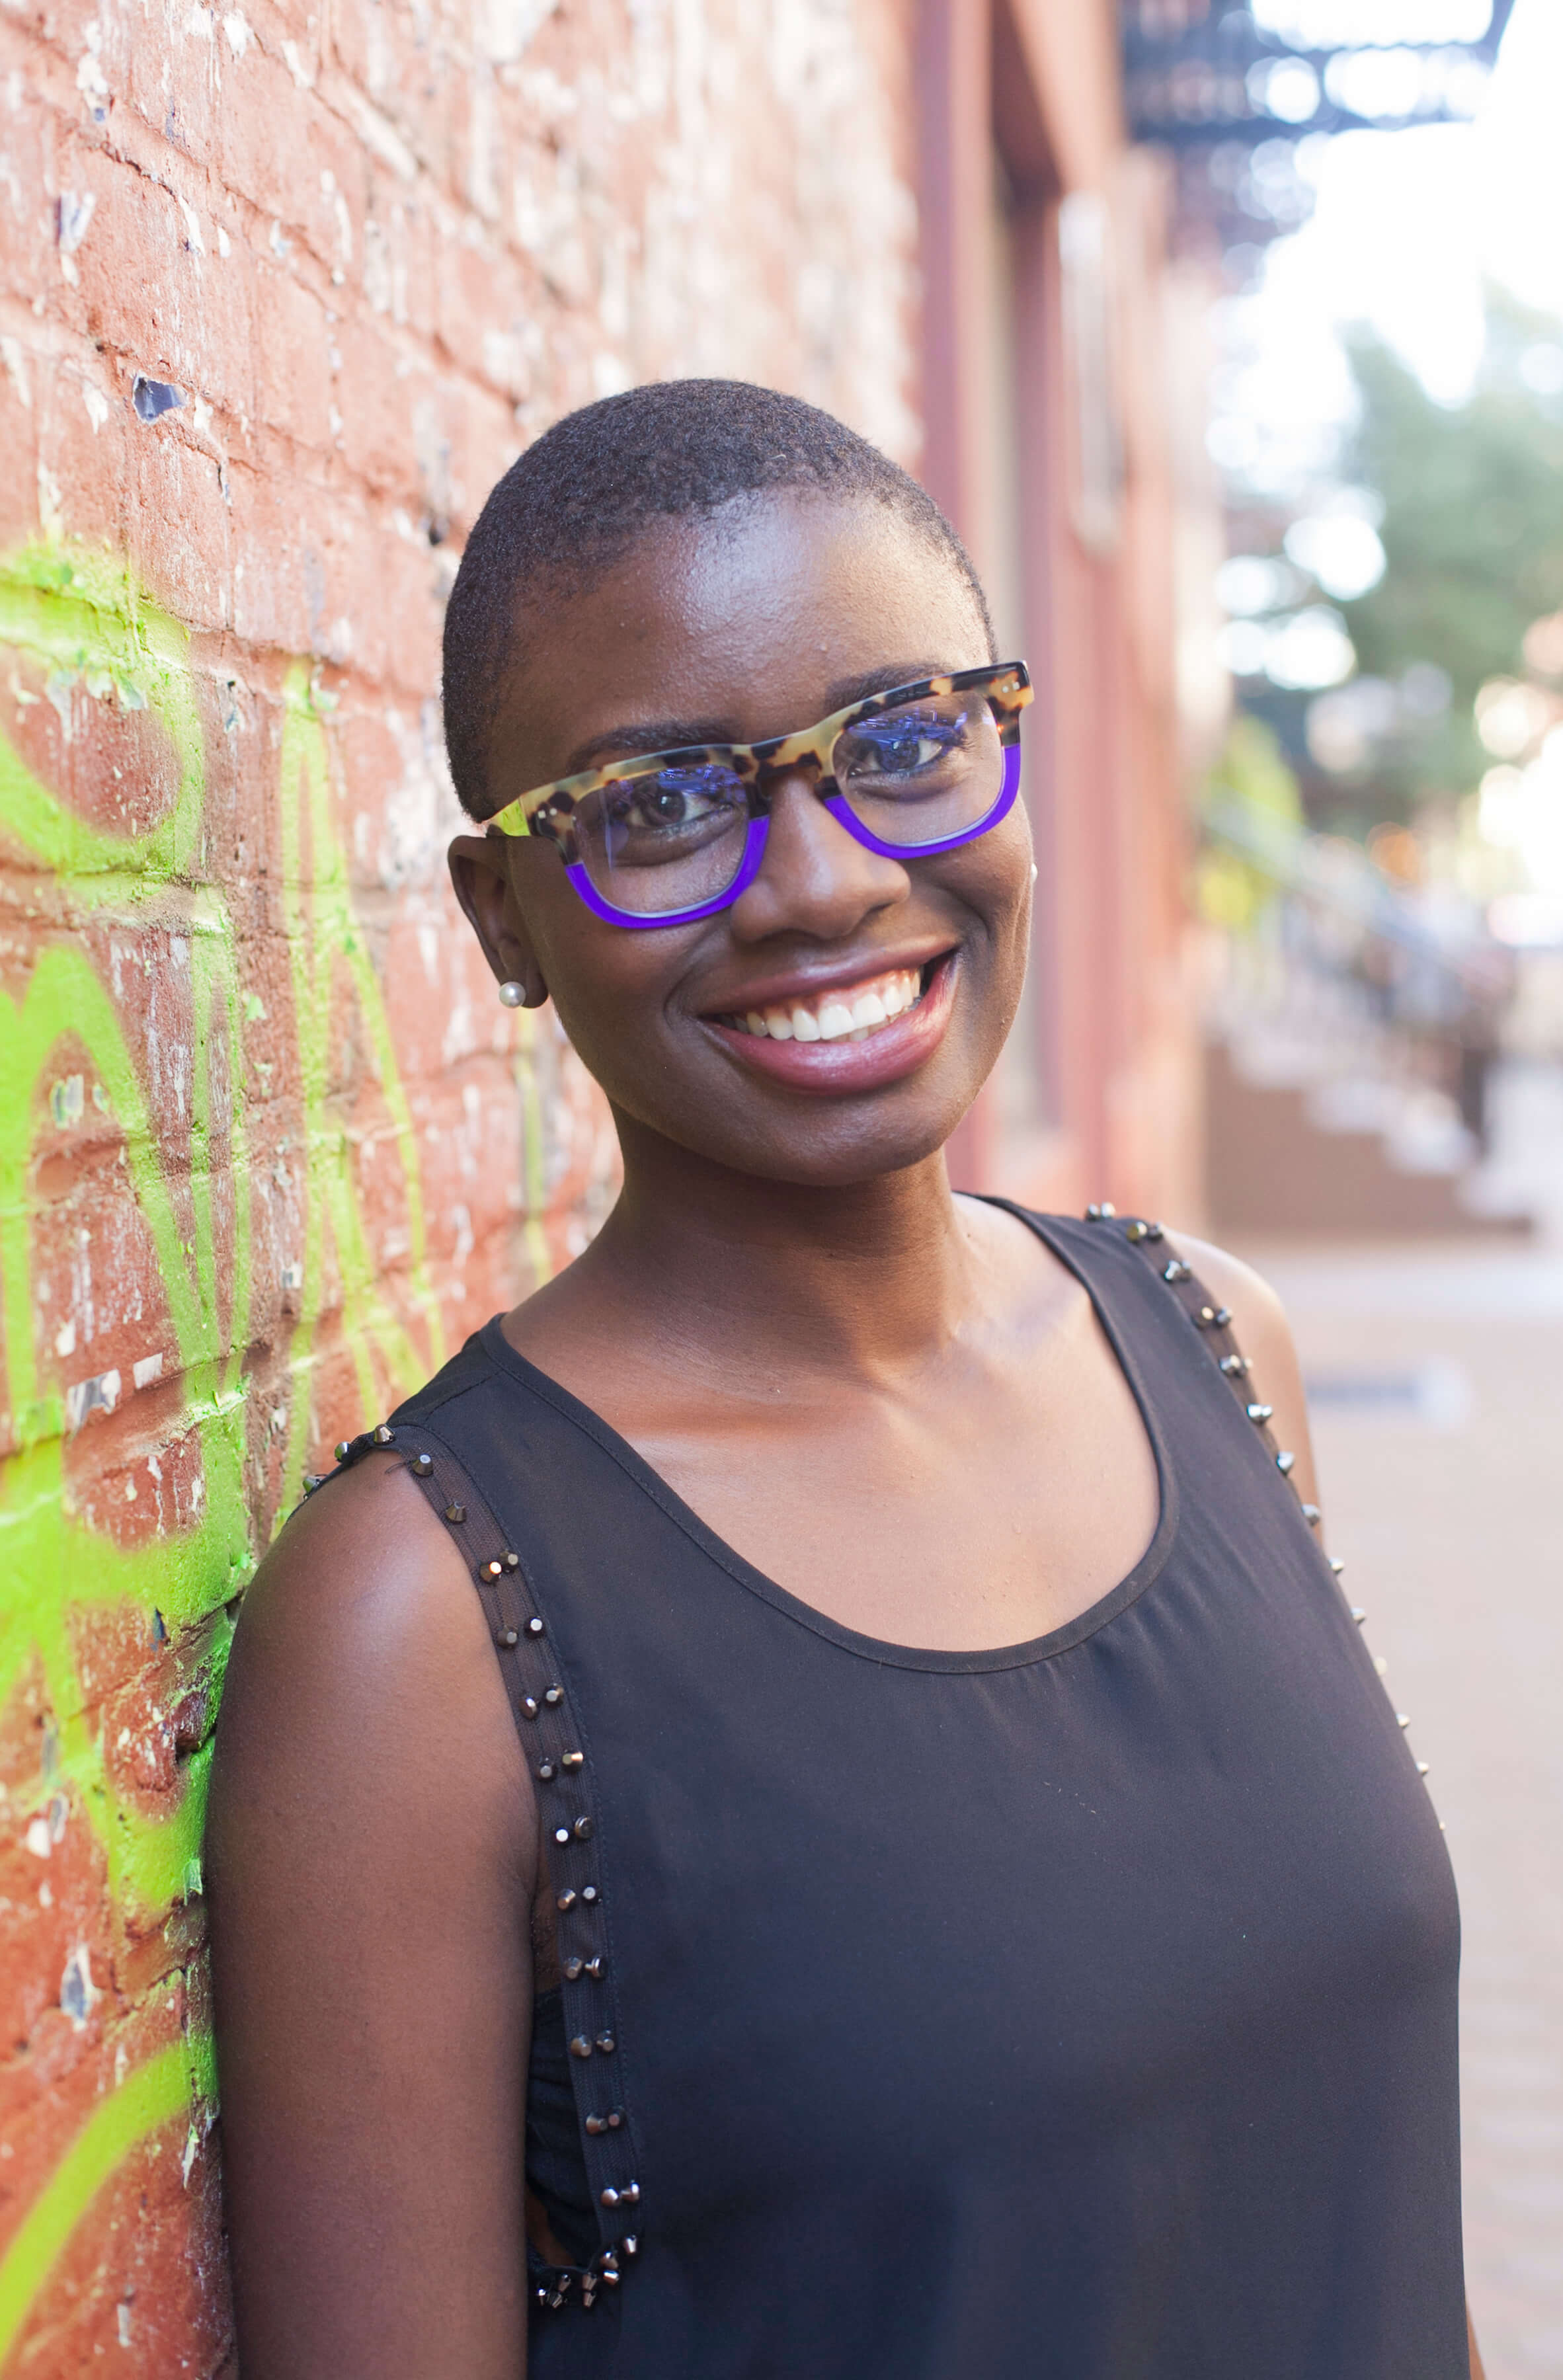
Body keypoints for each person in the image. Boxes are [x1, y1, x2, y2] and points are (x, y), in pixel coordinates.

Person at [206, 381, 1480, 2379]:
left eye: (904, 741)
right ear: (504, 922)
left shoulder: (1221, 1349)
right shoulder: (425, 1632)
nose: (817, 883)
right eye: (661, 803)